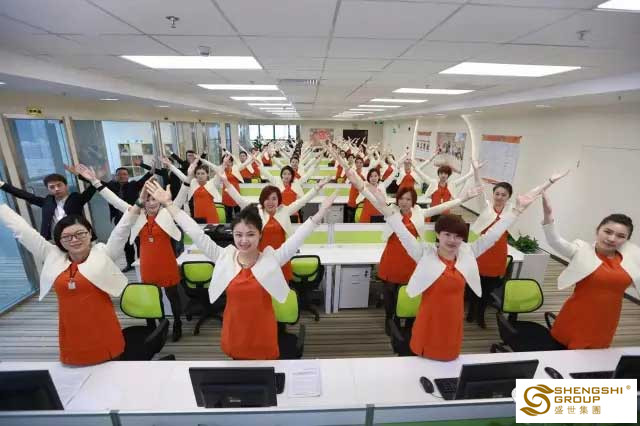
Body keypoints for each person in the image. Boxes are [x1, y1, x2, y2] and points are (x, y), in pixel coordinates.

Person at [369, 175, 560, 360]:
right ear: (438, 235)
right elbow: (402, 232)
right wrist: (385, 207)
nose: (452, 240)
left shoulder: (467, 254)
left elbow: (493, 234)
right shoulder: (425, 254)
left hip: (453, 319)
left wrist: (516, 211)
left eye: (458, 236)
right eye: (447, 235)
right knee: (423, 358)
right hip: (429, 318)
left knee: (449, 360)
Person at [144, 179, 337, 360]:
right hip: (235, 329)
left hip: (262, 330)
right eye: (238, 235)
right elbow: (196, 233)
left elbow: (297, 239)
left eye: (250, 234)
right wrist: (169, 204)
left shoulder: (271, 260)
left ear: (260, 235)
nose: (244, 240)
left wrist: (320, 213)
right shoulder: (225, 258)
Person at [0, 199, 136, 365]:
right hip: (71, 327)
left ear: (90, 233)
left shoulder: (104, 253)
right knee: (77, 369)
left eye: (80, 233)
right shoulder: (52, 255)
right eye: (67, 237)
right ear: (59, 240)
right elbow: (23, 231)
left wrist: (137, 205)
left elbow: (121, 231)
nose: (74, 240)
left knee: (109, 368)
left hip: (102, 325)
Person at [351, 171, 483, 333]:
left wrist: (463, 199)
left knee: (408, 292)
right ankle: (389, 318)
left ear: (413, 201)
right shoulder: (391, 211)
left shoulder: (419, 213)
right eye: (401, 198)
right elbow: (372, 198)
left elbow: (441, 207)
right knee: (390, 291)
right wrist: (359, 184)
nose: (404, 202)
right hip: (392, 256)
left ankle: (406, 319)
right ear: (397, 200)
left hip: (411, 257)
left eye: (408, 199)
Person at [77, 165, 185, 342]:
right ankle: (158, 326)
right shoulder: (136, 214)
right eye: (148, 199)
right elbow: (114, 200)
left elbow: (181, 198)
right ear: (143, 200)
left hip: (166, 262)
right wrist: (95, 182)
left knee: (173, 296)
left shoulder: (168, 213)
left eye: (155, 199)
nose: (152, 203)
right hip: (147, 263)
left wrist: (186, 181)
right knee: (151, 296)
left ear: (160, 200)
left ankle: (178, 324)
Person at [542, 192, 639, 349]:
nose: (612, 239)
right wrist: (548, 217)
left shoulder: (630, 260)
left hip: (607, 320)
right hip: (577, 316)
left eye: (621, 236)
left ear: (627, 240)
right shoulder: (582, 251)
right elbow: (555, 241)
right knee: (561, 356)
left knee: (592, 358)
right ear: (598, 230)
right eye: (608, 232)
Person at [217, 169, 330, 280]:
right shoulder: (257, 211)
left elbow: (302, 201)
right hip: (261, 258)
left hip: (281, 256)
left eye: (274, 199)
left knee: (282, 286)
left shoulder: (284, 211)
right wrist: (227, 183)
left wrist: (317, 187)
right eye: (267, 199)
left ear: (278, 200)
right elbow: (240, 200)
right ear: (262, 200)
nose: (270, 202)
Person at [0, 170, 97, 240]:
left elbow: (93, 187)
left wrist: (89, 178)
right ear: (48, 189)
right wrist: (2, 185)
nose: (56, 189)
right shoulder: (47, 201)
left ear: (66, 186)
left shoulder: (76, 199)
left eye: (59, 185)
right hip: (53, 240)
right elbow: (24, 195)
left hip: (77, 238)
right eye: (52, 187)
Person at [101, 162, 155, 272]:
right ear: (116, 176)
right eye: (119, 174)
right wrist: (83, 176)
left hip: (135, 218)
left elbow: (145, 179)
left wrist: (151, 170)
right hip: (120, 219)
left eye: (124, 174)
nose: (122, 176)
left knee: (139, 241)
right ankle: (130, 264)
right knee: (126, 243)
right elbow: (98, 184)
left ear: (128, 176)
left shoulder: (133, 185)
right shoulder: (111, 186)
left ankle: (142, 262)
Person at [166, 159, 222, 224]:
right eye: (198, 174)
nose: (200, 176)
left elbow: (219, 170)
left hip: (211, 214)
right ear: (195, 175)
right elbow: (180, 175)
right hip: (198, 214)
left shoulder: (212, 183)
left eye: (203, 173)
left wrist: (203, 160)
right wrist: (170, 165)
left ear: (207, 174)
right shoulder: (193, 183)